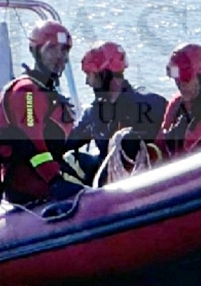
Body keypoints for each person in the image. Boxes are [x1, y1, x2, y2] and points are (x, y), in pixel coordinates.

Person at [0, 19, 82, 205]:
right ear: (35, 51)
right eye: (52, 49)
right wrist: (55, 181)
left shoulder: (47, 92)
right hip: (31, 189)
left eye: (64, 50)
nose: (59, 56)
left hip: (47, 183)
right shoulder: (27, 93)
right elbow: (32, 141)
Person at [66, 41, 167, 183]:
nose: (87, 82)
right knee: (68, 161)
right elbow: (68, 143)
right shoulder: (93, 114)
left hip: (146, 184)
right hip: (107, 188)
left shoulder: (152, 105)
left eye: (90, 75)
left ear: (105, 74)